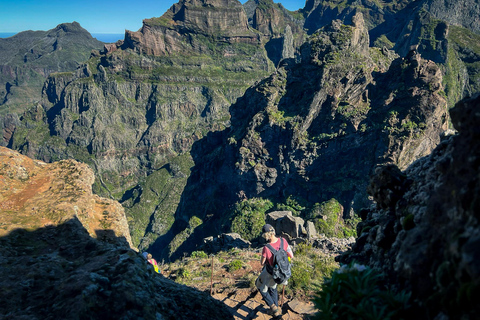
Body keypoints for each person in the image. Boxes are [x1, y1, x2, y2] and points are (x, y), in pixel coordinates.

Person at [256, 224, 294, 317]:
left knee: (260, 286)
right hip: (282, 272)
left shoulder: (267, 248)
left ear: (265, 235)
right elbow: (291, 255)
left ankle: (273, 307)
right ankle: (275, 311)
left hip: (270, 272)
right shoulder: (283, 241)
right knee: (273, 288)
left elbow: (262, 263)